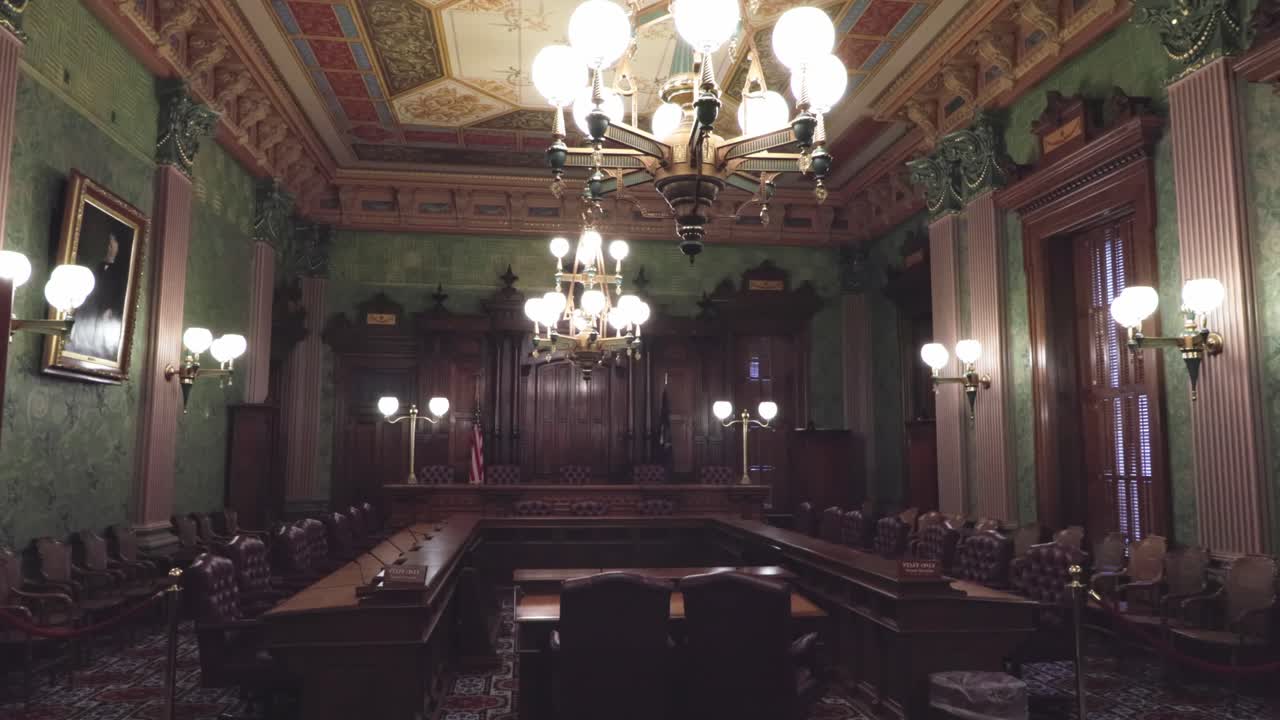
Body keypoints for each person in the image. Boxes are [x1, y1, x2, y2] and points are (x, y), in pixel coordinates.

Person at [66, 233, 127, 361]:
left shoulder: (120, 272)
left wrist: (111, 309)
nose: (109, 248)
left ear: (118, 248)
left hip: (108, 313)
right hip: (93, 308)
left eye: (112, 245)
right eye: (108, 245)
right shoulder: (99, 267)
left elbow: (120, 296)